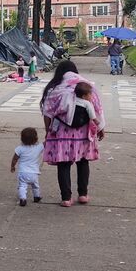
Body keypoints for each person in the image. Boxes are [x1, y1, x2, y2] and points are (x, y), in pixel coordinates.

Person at [40, 60, 105, 207]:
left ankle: (66, 198)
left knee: (63, 164)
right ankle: (83, 194)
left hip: (62, 133)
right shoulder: (87, 86)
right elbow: (97, 110)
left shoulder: (55, 89)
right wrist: (101, 128)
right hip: (83, 134)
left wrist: (47, 131)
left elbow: (47, 113)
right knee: (83, 162)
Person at [11, 127, 44, 207]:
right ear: (36, 138)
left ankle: (23, 198)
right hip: (34, 173)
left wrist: (12, 166)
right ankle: (36, 197)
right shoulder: (39, 147)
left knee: (22, 186)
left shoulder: (19, 149)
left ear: (22, 139)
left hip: (23, 172)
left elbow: (15, 158)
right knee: (35, 186)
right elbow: (46, 143)